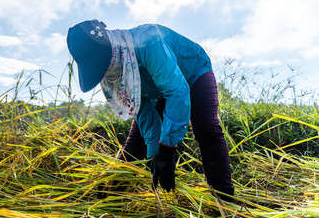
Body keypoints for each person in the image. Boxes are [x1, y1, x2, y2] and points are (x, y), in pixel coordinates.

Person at [66, 19, 234, 201]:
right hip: (156, 89)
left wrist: (167, 150)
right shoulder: (115, 72)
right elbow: (144, 113)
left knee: (206, 129)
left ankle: (225, 200)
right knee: (135, 144)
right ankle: (109, 196)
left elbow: (177, 91)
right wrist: (157, 158)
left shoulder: (148, 42)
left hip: (193, 70)